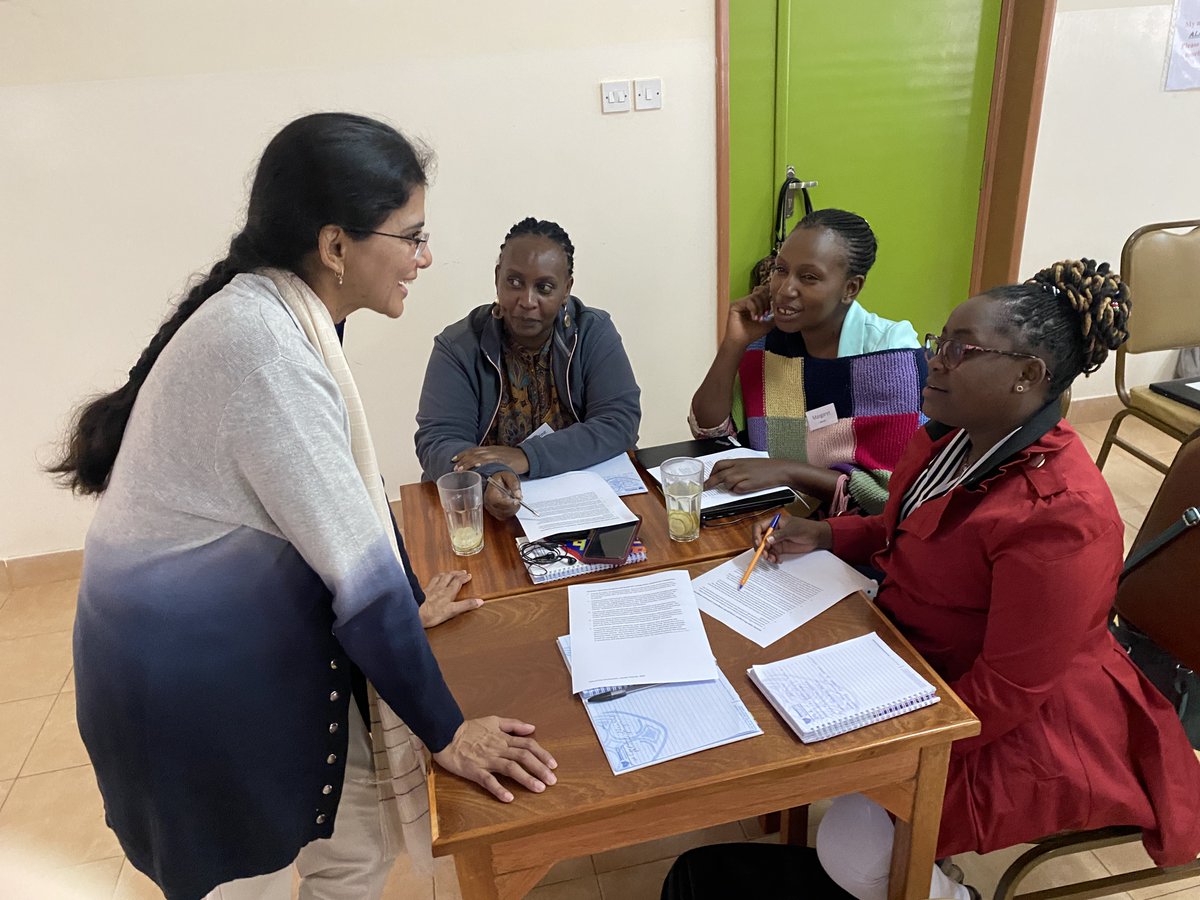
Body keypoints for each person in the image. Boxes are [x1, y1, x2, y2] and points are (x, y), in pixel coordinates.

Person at [50, 113, 557, 900]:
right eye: (412, 236)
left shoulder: (285, 318)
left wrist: (406, 602)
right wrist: (449, 731)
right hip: (188, 688)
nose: (424, 258)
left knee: (355, 851)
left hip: (245, 642)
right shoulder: (263, 353)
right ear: (335, 247)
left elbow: (346, 497)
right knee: (246, 880)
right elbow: (359, 577)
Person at [662, 259, 1200, 900]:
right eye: (938, 342)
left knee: (853, 849)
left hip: (1014, 715)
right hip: (922, 656)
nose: (935, 362)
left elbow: (1009, 690)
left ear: (1029, 375)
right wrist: (827, 534)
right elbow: (902, 531)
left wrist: (896, 750)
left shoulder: (1062, 517)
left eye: (961, 351)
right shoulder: (950, 440)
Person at [690, 209, 923, 514]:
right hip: (770, 515)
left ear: (851, 288)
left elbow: (890, 493)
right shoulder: (767, 340)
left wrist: (787, 471)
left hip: (855, 530)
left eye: (809, 277)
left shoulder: (890, 351)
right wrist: (734, 343)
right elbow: (710, 432)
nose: (784, 289)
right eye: (781, 270)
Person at [414, 217, 641, 519]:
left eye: (544, 287)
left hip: (581, 503)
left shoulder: (592, 332)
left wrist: (526, 456)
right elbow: (438, 441)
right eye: (515, 282)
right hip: (487, 510)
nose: (527, 301)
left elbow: (619, 422)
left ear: (566, 289)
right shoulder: (458, 346)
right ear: (498, 278)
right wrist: (488, 477)